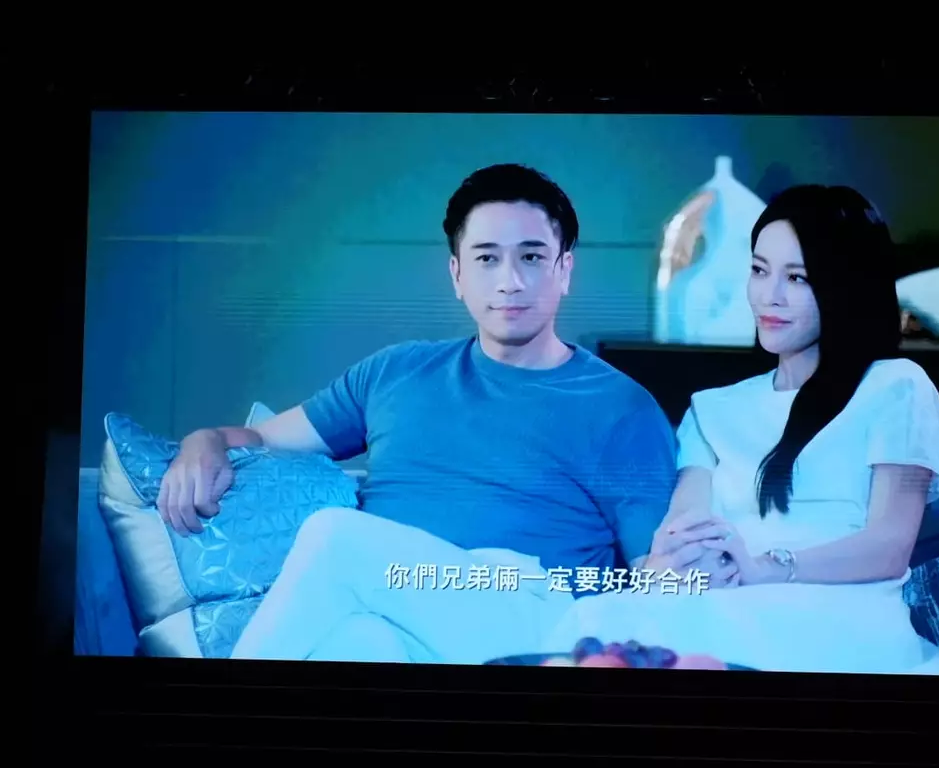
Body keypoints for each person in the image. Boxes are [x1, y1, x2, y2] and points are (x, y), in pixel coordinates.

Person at [157, 164, 734, 665]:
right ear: (457, 274)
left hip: (530, 611)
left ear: (564, 271)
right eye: (487, 259)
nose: (510, 281)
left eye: (532, 257)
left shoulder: (621, 407)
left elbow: (653, 575)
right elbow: (260, 437)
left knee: (334, 537)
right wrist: (203, 441)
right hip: (399, 608)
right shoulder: (395, 372)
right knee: (360, 641)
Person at [540, 185, 939, 675]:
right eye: (759, 270)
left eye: (797, 277)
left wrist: (766, 567)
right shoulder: (712, 409)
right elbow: (687, 524)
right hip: (723, 598)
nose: (769, 296)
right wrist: (668, 563)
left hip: (840, 612)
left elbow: (889, 546)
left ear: (846, 285)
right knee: (593, 620)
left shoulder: (895, 387)